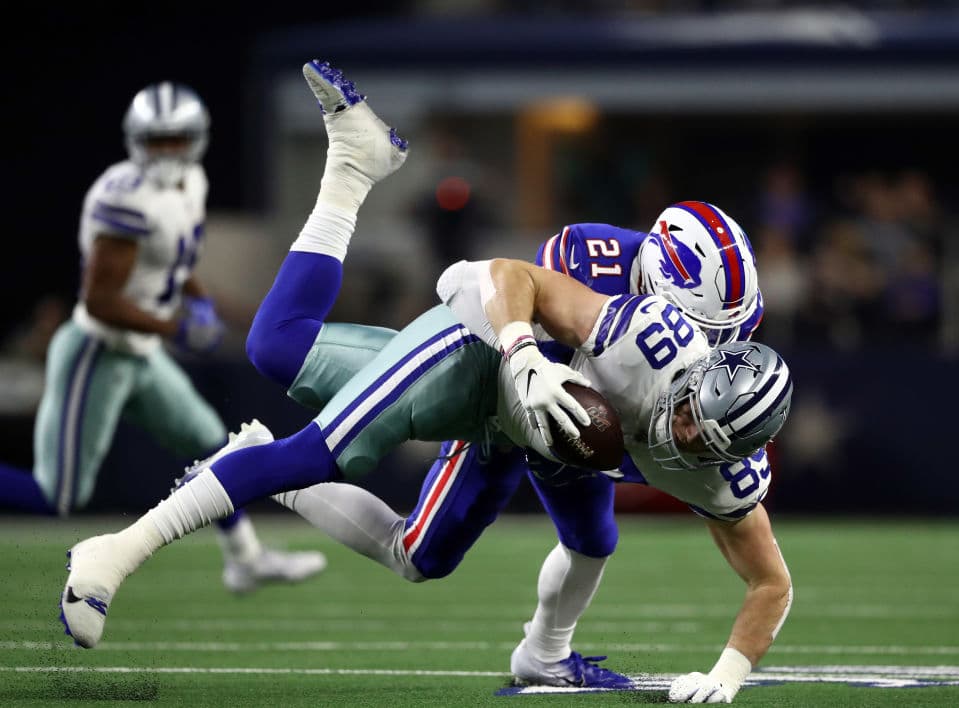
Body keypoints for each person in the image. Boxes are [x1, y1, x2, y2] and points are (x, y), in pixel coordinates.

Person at [59, 61, 794, 705]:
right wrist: (523, 355)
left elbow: (770, 578)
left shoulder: (715, 405)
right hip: (482, 358)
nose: (715, 348)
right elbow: (511, 281)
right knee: (315, 438)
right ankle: (119, 550)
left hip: (548, 421)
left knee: (467, 551)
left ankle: (545, 655)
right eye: (705, 327)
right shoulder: (619, 306)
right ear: (659, 289)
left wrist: (728, 673)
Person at [0, 81, 325, 593]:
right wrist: (177, 327)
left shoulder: (191, 182)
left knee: (213, 446)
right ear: (137, 140)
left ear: (196, 140)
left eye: (177, 139)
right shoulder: (124, 198)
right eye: (157, 140)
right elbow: (101, 301)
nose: (168, 151)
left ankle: (245, 559)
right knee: (57, 496)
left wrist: (198, 300)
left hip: (141, 353)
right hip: (96, 351)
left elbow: (172, 260)